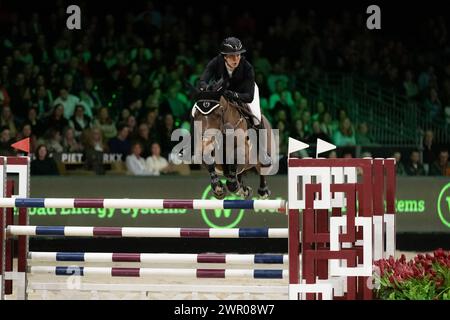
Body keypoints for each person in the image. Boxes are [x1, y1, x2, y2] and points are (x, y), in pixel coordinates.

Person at [197, 37, 271, 166]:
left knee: (256, 117)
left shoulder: (247, 67)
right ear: (225, 56)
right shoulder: (216, 62)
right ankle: (193, 145)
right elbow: (203, 79)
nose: (236, 59)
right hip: (222, 92)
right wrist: (205, 87)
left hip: (244, 92)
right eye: (232, 56)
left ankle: (262, 151)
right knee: (195, 109)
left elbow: (249, 97)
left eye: (238, 55)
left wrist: (233, 94)